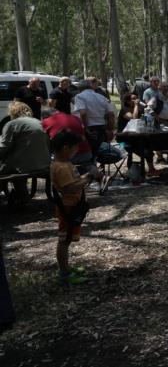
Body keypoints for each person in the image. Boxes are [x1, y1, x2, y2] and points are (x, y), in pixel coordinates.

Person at [50, 130, 94, 285]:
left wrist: (85, 177)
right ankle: (64, 274)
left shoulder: (65, 164)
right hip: (67, 208)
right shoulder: (61, 167)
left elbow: (73, 182)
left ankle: (66, 268)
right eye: (75, 148)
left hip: (73, 206)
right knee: (64, 240)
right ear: (65, 148)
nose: (76, 151)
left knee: (67, 240)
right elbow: (68, 188)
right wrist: (88, 178)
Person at [0, 102, 51, 204]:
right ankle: (22, 197)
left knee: (7, 167)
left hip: (22, 165)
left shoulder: (11, 124)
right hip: (43, 163)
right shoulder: (39, 122)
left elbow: (4, 147)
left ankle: (20, 197)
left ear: (12, 112)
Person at [73, 80, 116, 160]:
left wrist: (86, 129)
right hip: (101, 128)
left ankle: (91, 170)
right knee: (95, 153)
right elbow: (111, 114)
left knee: (87, 154)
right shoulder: (102, 97)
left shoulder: (79, 96)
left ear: (80, 88)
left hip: (89, 128)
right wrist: (111, 129)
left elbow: (83, 113)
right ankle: (94, 168)